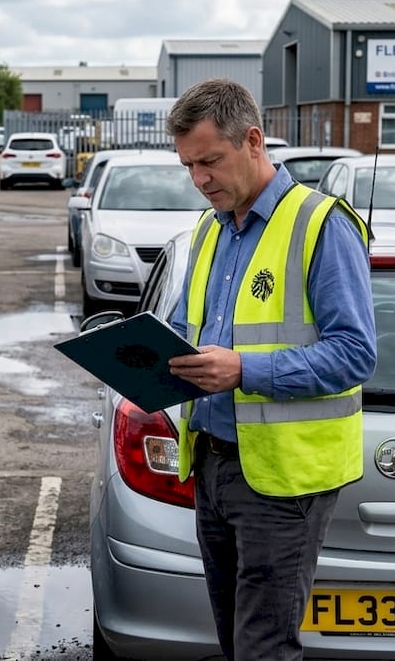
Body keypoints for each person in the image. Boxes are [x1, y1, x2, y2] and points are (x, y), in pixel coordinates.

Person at [163, 78, 377, 661]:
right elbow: (188, 336)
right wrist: (142, 360)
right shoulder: (210, 228)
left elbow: (356, 353)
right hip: (210, 464)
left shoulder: (320, 225)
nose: (199, 179)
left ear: (253, 141)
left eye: (210, 161)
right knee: (235, 641)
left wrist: (245, 371)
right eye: (189, 166)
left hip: (283, 482)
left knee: (263, 649)